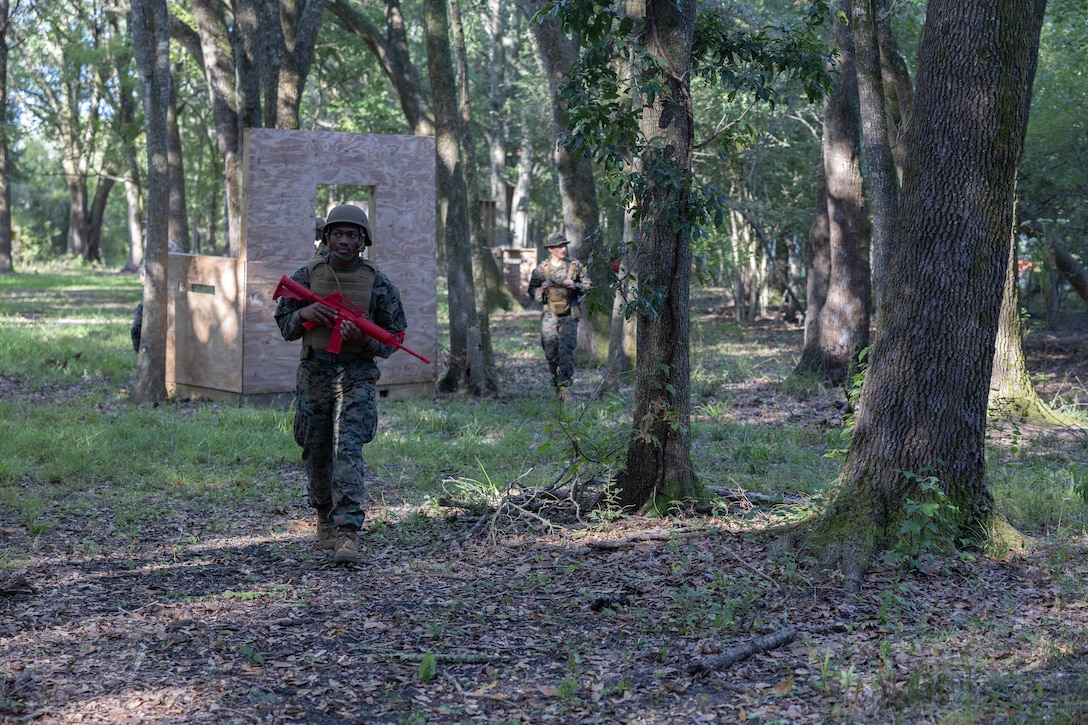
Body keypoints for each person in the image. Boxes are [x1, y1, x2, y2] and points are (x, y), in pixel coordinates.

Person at [274, 204, 407, 564]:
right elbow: (284, 324)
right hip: (315, 372)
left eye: (352, 234)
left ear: (363, 241)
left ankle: (347, 530)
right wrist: (305, 314)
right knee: (316, 448)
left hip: (356, 375)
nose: (344, 240)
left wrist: (363, 340)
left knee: (347, 449)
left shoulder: (378, 284)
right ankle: (323, 516)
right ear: (327, 236)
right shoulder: (307, 275)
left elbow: (394, 338)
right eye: (338, 233)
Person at [527, 232, 591, 402]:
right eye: (559, 246)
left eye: (565, 245)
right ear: (550, 249)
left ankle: (565, 391)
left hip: (570, 315)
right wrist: (542, 288)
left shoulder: (575, 267)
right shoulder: (541, 270)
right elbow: (531, 292)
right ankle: (556, 385)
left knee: (566, 351)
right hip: (549, 316)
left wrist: (575, 285)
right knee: (550, 352)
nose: (563, 249)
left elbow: (589, 286)